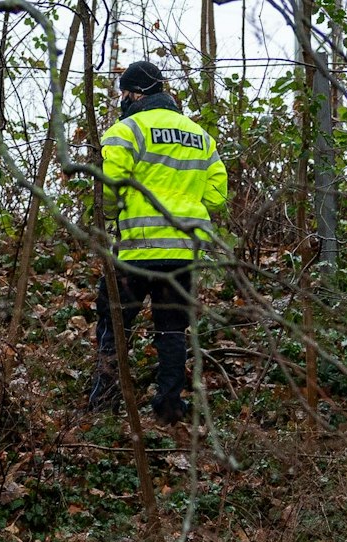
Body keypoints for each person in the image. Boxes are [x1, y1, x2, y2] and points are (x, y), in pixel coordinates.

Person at [88, 60, 227, 423]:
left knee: (114, 322)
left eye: (124, 93)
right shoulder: (200, 135)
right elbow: (217, 195)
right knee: (171, 329)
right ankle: (168, 407)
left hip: (138, 249)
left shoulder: (126, 129)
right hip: (183, 253)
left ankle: (104, 402)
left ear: (135, 93)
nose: (123, 100)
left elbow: (109, 186)